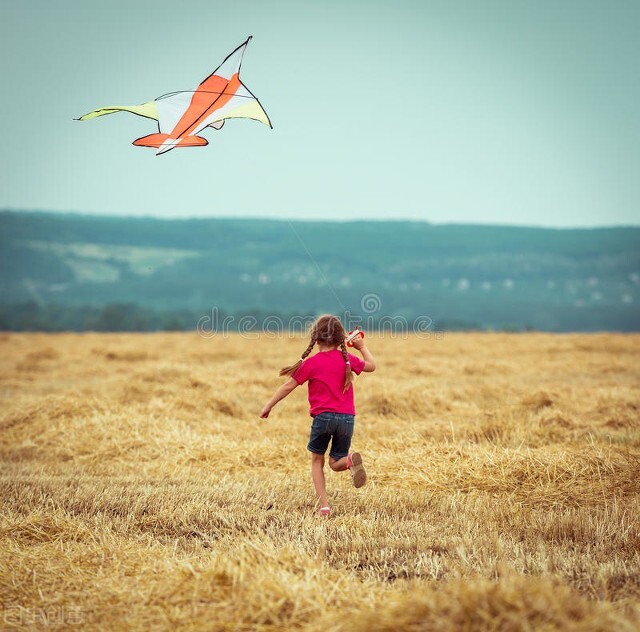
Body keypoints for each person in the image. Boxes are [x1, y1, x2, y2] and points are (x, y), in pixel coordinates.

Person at [260, 314, 376, 517]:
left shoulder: (312, 363)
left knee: (317, 461)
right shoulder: (347, 360)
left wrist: (269, 405)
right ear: (342, 339)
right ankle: (349, 461)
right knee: (336, 462)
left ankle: (324, 507)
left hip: (323, 419)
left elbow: (288, 386)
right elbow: (371, 366)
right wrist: (361, 347)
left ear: (316, 338)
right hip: (347, 419)